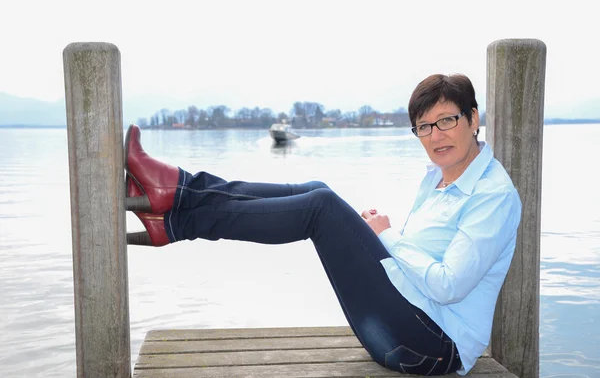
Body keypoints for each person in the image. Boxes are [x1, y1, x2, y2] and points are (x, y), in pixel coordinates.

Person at [124, 73, 522, 376]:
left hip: (434, 348)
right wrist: (374, 240)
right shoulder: (436, 177)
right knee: (318, 190)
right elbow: (417, 273)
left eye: (447, 121)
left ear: (473, 119)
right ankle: (177, 205)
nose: (435, 136)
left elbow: (448, 285)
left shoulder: (493, 196)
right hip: (404, 328)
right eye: (424, 126)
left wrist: (387, 235)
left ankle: (176, 203)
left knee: (322, 207)